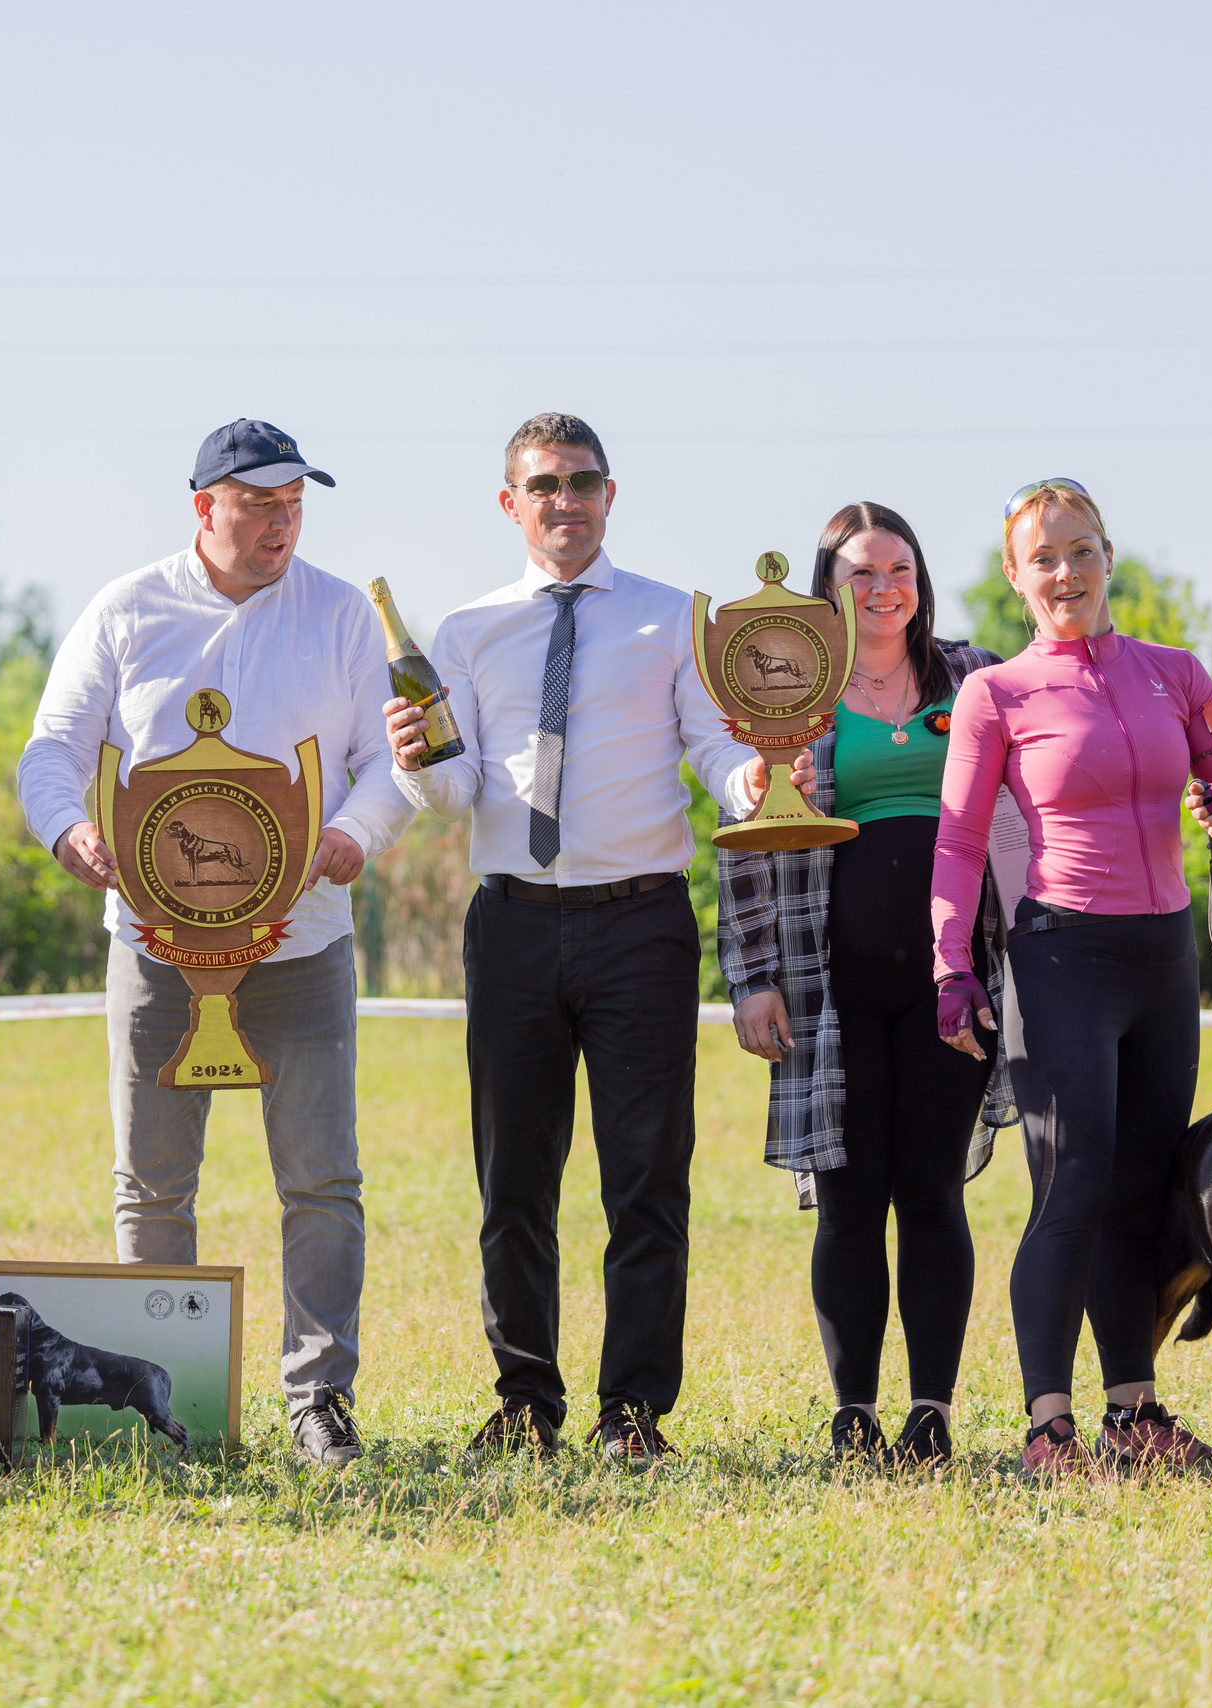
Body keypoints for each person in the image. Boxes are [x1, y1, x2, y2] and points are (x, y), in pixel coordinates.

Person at [384, 413, 808, 1468]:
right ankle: (525, 1400)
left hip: (641, 925)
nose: (564, 501)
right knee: (513, 1179)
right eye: (544, 485)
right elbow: (458, 788)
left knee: (647, 1177)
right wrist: (412, 761)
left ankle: (633, 1413)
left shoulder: (674, 618)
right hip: (513, 924)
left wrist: (749, 779)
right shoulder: (468, 629)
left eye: (582, 482)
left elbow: (711, 743)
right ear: (510, 503)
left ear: (609, 496)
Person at [16, 420, 413, 1467]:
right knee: (150, 1183)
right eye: (258, 504)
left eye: (295, 504)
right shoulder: (123, 609)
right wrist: (70, 828)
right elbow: (50, 747)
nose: (282, 521)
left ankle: (318, 1400)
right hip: (153, 948)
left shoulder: (337, 613)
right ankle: (172, 1397)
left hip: (304, 943)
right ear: (204, 508)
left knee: (322, 1180)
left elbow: (392, 759)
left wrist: (352, 832)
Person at [932, 477, 1212, 1476]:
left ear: (1107, 556)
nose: (1065, 572)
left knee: (1141, 1189)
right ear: (1014, 577)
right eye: (1044, 557)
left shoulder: (1175, 673)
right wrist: (952, 968)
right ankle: (1048, 1427)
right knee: (1069, 1185)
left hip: (1160, 958)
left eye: (1080, 550)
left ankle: (1135, 1415)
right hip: (1060, 955)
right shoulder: (995, 693)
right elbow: (955, 842)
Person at [719, 501, 1024, 1468]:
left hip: (954, 978)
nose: (883, 587)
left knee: (932, 1190)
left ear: (921, 581)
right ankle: (853, 1415)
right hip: (823, 983)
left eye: (899, 568)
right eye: (860, 572)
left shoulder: (974, 676)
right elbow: (745, 849)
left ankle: (929, 1412)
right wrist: (752, 976)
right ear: (828, 587)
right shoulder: (792, 689)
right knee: (850, 1198)